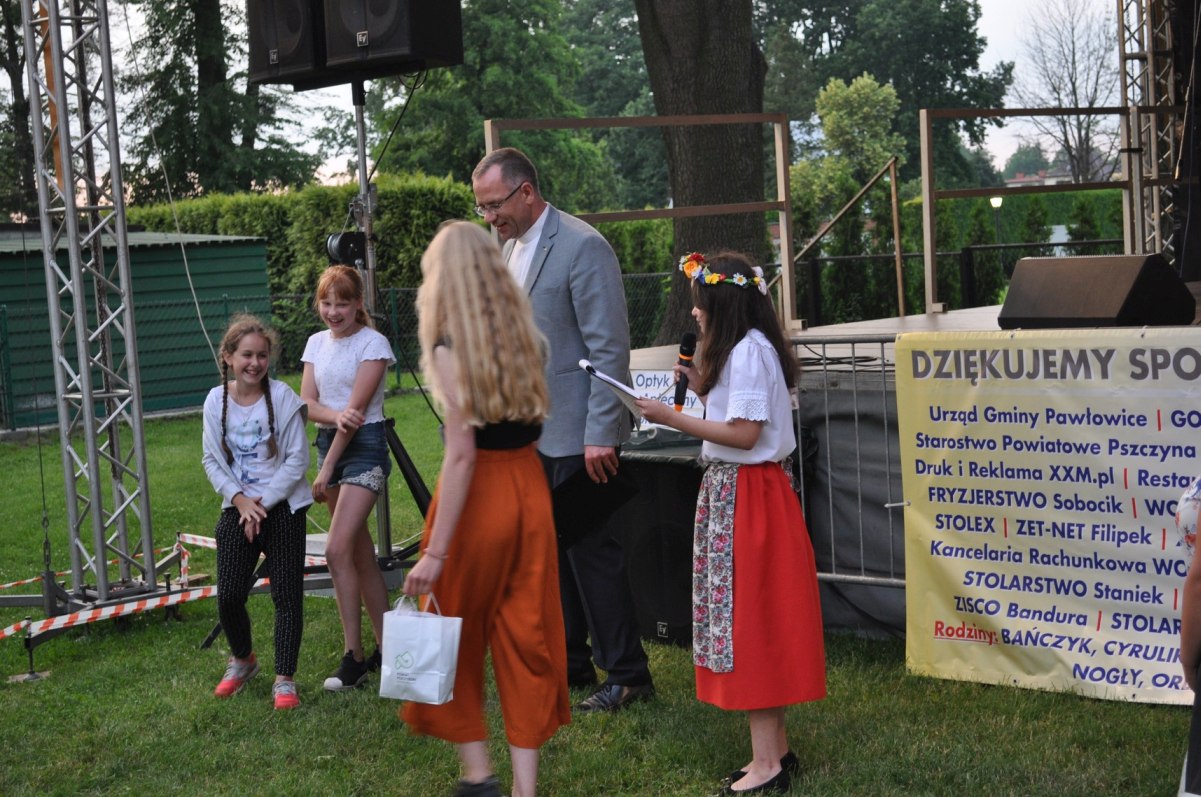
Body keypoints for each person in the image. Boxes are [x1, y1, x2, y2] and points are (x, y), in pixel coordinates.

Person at [635, 251, 827, 794]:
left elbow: (744, 436)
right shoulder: (751, 348)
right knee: (753, 618)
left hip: (748, 495)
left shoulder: (746, 352)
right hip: (746, 493)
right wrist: (701, 388)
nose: (695, 313)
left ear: (721, 302)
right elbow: (742, 422)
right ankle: (775, 753)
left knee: (752, 623)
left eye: (700, 303)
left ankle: (767, 767)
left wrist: (672, 416)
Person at [471, 147, 654, 713]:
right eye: (481, 208)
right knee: (548, 554)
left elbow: (609, 349)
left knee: (592, 554)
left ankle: (629, 675)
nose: (489, 217)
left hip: (580, 433)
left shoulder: (583, 246)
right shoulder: (508, 247)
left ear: (526, 191)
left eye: (494, 205)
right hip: (529, 431)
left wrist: (601, 432)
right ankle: (571, 665)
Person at [401, 221, 569, 797]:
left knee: (448, 631)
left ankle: (478, 775)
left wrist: (435, 552)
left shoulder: (450, 349)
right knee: (526, 636)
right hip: (530, 494)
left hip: (478, 503)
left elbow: (462, 456)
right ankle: (526, 789)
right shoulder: (527, 340)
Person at [201, 315, 311, 710]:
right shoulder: (215, 401)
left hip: (282, 507)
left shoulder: (282, 397)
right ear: (228, 357)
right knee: (229, 595)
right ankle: (243, 659)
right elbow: (211, 460)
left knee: (286, 595)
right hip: (239, 507)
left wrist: (261, 505)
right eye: (246, 355)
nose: (255, 363)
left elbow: (297, 459)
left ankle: (285, 679)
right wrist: (240, 502)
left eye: (262, 355)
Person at [301, 264, 395, 691]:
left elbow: (355, 418)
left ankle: (353, 658)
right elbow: (306, 403)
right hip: (330, 444)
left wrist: (325, 469)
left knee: (336, 550)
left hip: (364, 448)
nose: (333, 311)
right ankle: (389, 650)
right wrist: (334, 417)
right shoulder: (315, 343)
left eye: (342, 303)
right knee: (359, 555)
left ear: (359, 303)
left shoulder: (373, 344)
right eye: (326, 303)